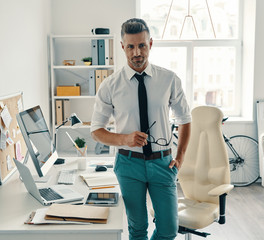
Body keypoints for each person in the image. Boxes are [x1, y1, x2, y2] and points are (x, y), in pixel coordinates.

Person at [90, 18, 191, 240]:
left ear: (150, 44)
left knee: (168, 229)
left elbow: (185, 119)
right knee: (137, 229)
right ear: (122, 47)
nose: (137, 52)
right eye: (131, 46)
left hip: (162, 163)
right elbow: (96, 130)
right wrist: (125, 139)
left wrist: (180, 158)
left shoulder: (169, 79)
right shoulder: (110, 85)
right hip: (128, 165)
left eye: (142, 45)